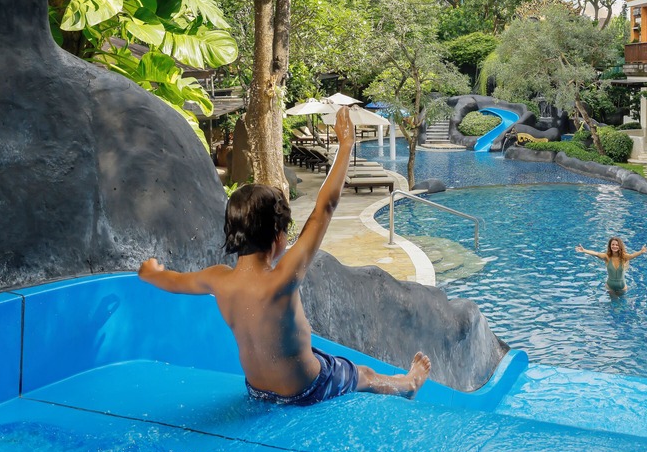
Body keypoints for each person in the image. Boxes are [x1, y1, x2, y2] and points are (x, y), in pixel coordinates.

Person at [138, 107, 431, 406]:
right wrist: (345, 145)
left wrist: (151, 273)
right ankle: (408, 384)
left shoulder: (217, 278)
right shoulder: (282, 277)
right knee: (364, 373)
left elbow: (174, 281)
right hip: (306, 389)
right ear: (277, 237)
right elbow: (324, 208)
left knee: (307, 348)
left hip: (258, 390)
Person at [575, 236, 647, 294]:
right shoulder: (607, 257)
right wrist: (584, 250)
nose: (614, 246)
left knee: (622, 306)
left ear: (620, 246)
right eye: (613, 244)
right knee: (613, 306)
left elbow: (632, 256)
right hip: (610, 286)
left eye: (616, 245)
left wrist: (641, 252)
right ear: (610, 246)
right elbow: (596, 253)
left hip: (622, 286)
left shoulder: (624, 257)